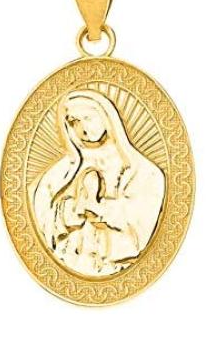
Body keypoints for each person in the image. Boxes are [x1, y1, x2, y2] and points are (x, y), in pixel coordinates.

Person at [30, 89, 165, 276]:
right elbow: (41, 215)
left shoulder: (141, 170)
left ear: (106, 118)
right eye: (74, 121)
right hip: (71, 263)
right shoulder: (60, 173)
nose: (83, 128)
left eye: (88, 118)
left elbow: (141, 218)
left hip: (116, 265)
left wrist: (103, 210)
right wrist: (66, 213)